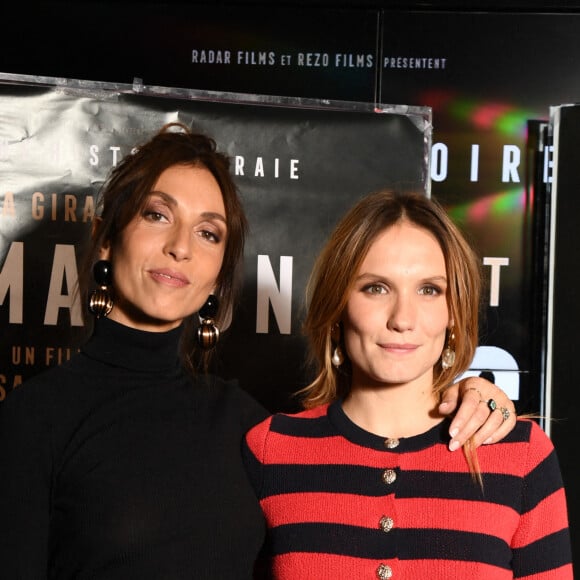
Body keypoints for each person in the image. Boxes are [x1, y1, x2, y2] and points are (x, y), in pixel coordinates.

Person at [0, 125, 515, 579]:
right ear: (107, 239)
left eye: (208, 232)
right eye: (157, 215)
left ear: (218, 275)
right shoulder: (34, 419)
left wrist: (471, 393)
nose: (181, 246)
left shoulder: (250, 431)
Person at [243, 190, 572, 579]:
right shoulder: (272, 451)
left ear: (454, 311)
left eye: (429, 289)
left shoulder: (521, 455)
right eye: (376, 288)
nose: (403, 318)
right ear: (338, 305)